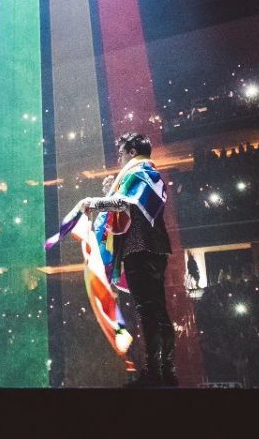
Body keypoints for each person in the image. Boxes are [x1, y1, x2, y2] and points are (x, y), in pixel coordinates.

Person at [81, 132, 176, 387]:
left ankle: (156, 372)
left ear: (132, 152)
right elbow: (126, 203)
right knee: (155, 310)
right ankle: (163, 370)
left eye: (122, 153)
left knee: (149, 311)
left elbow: (127, 203)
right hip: (147, 249)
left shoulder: (142, 173)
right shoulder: (145, 174)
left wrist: (96, 202)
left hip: (141, 249)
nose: (120, 159)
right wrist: (109, 194)